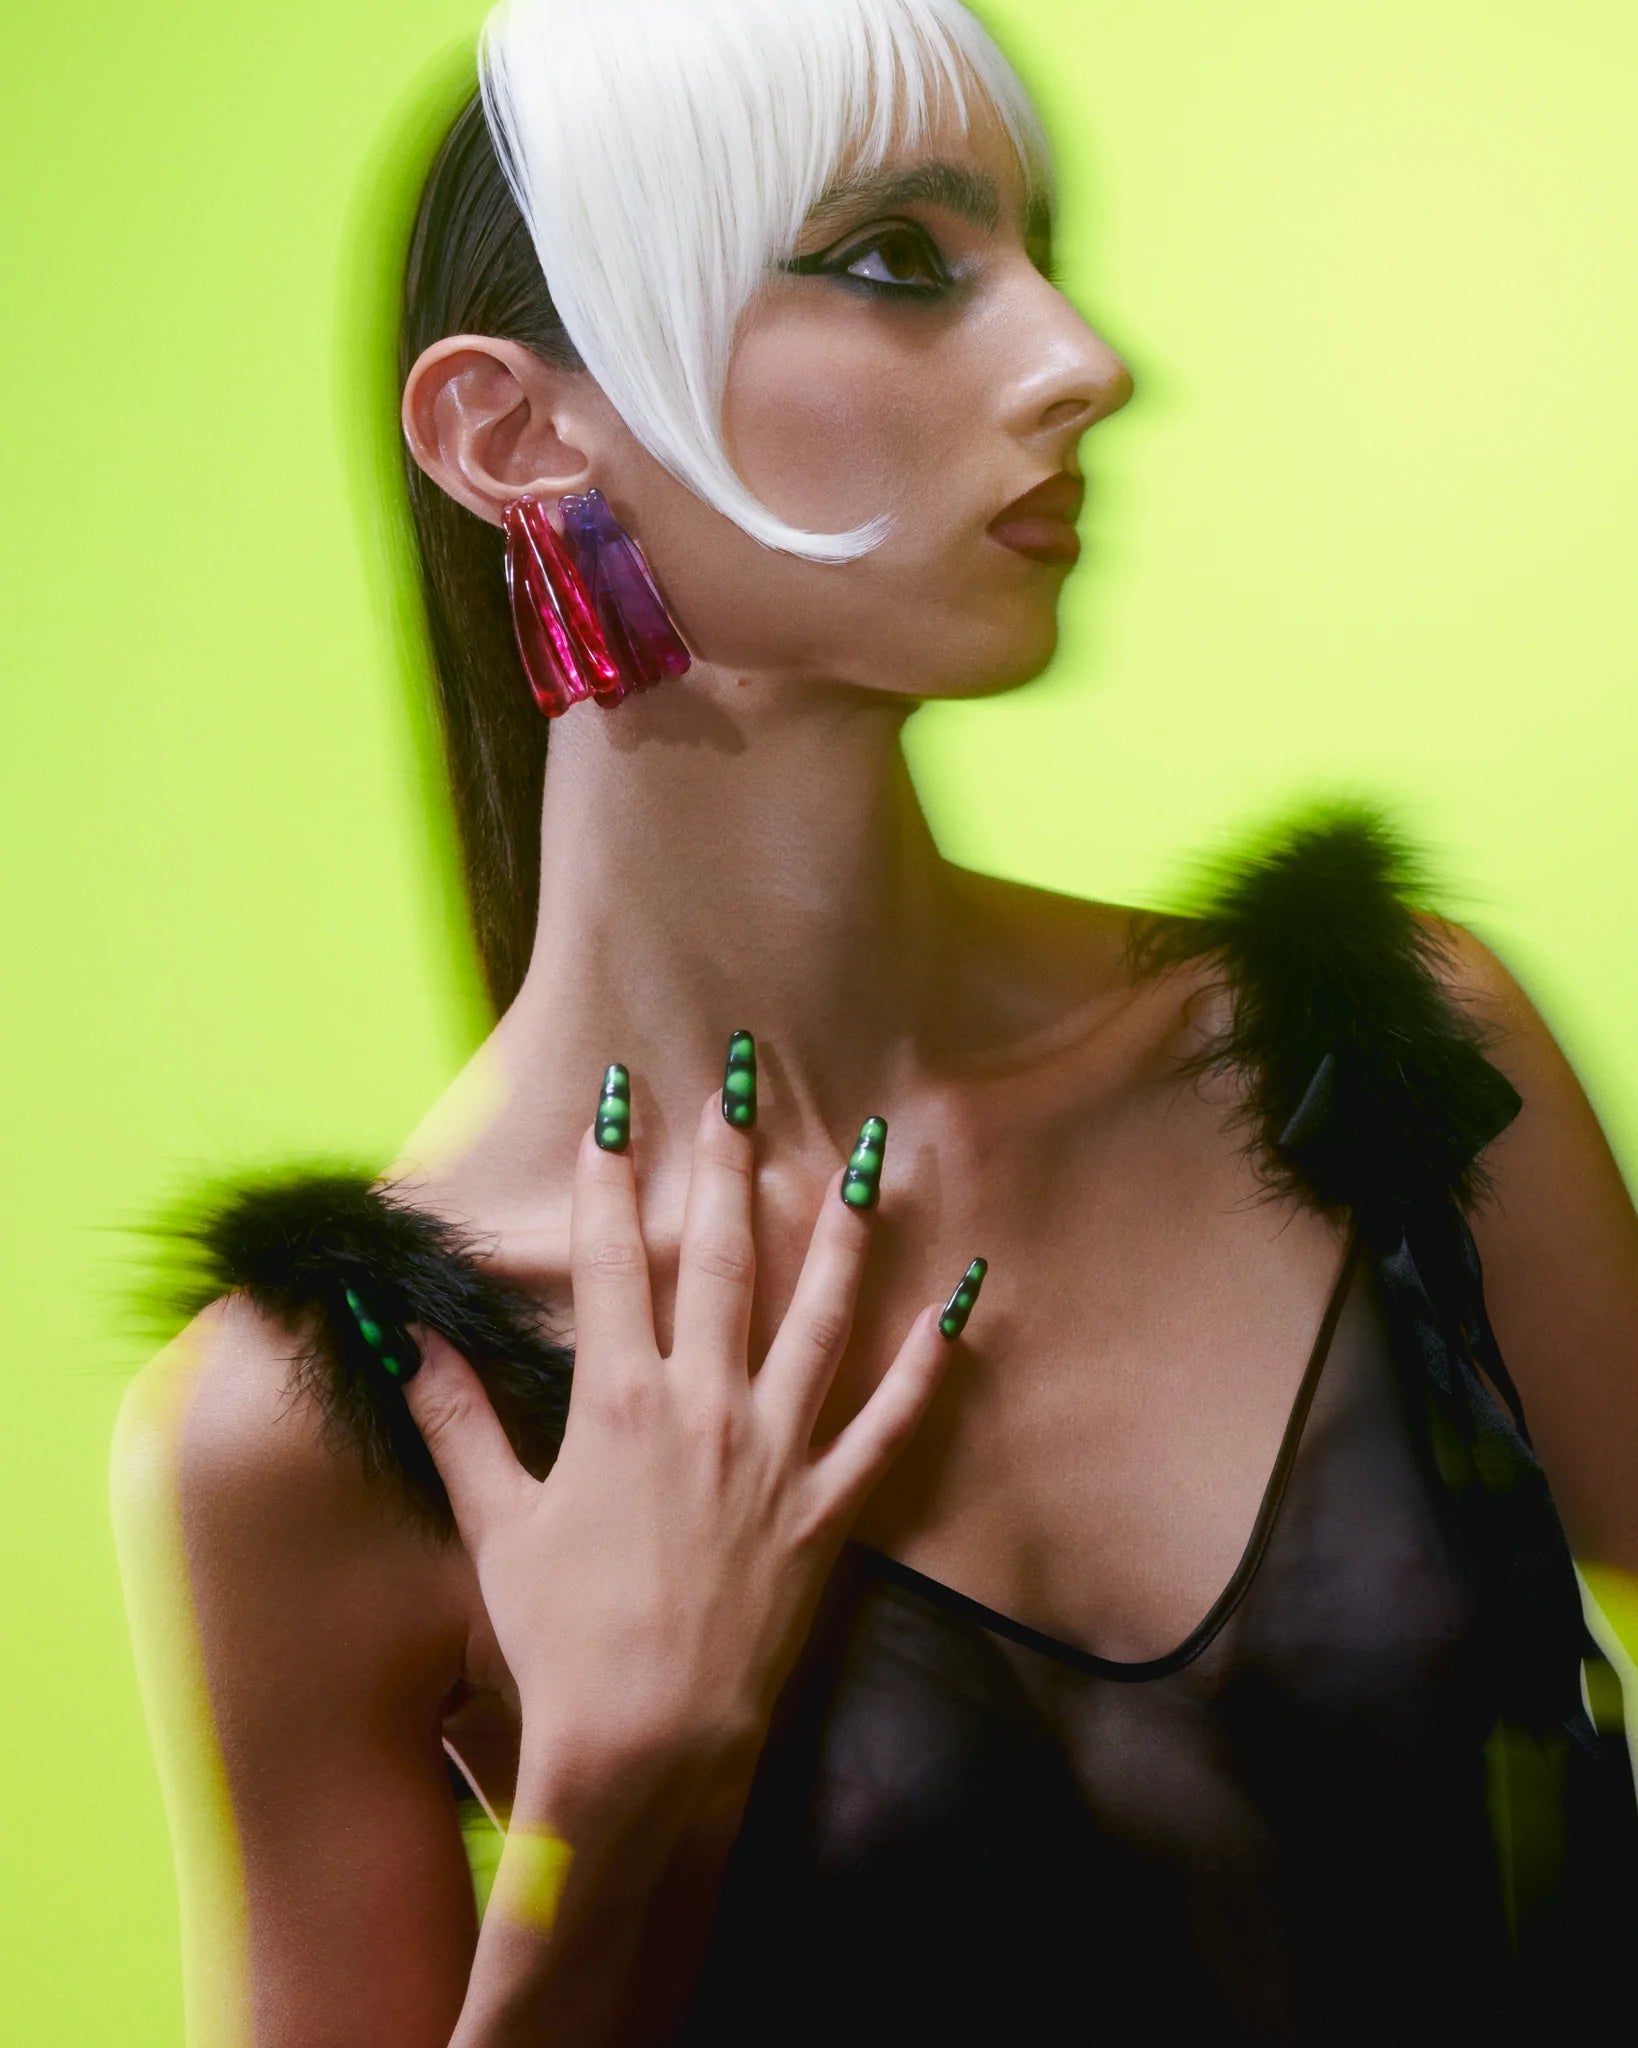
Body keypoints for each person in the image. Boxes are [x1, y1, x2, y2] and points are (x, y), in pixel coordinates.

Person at [113, 0, 1638, 2042]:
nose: (1084, 358)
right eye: (899, 260)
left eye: (1035, 250)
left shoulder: (1386, 1056)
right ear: (513, 435)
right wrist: (601, 1811)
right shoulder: (335, 1420)